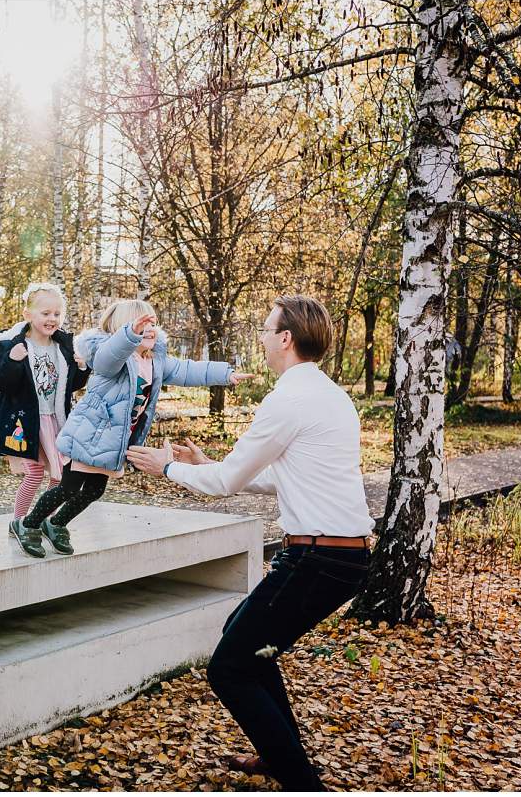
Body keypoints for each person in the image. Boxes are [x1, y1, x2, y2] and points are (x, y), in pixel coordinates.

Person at [127, 294, 374, 791]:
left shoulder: (288, 398)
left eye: (265, 330)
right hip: (340, 555)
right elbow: (281, 477)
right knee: (250, 643)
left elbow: (226, 485)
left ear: (285, 338)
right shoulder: (330, 395)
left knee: (229, 668)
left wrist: (169, 468)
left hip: (317, 557)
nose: (260, 339)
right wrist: (204, 465)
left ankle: (301, 781)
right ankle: (275, 754)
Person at [12, 298, 250, 557]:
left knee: (94, 490)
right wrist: (130, 336)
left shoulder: (154, 360)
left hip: (113, 441)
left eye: (153, 324)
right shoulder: (111, 358)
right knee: (68, 487)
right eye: (142, 325)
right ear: (123, 330)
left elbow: (188, 370)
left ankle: (55, 523)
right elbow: (108, 357)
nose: (150, 330)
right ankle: (27, 524)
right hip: (88, 434)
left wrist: (225, 374)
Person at [0, 283, 91, 556]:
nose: (52, 319)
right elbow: (2, 383)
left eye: (57, 314)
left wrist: (82, 367)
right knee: (34, 473)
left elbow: (72, 385)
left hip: (58, 420)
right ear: (28, 315)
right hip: (28, 421)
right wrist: (12, 361)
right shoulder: (15, 345)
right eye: (45, 313)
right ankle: (20, 522)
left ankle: (45, 519)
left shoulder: (64, 348)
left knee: (59, 477)